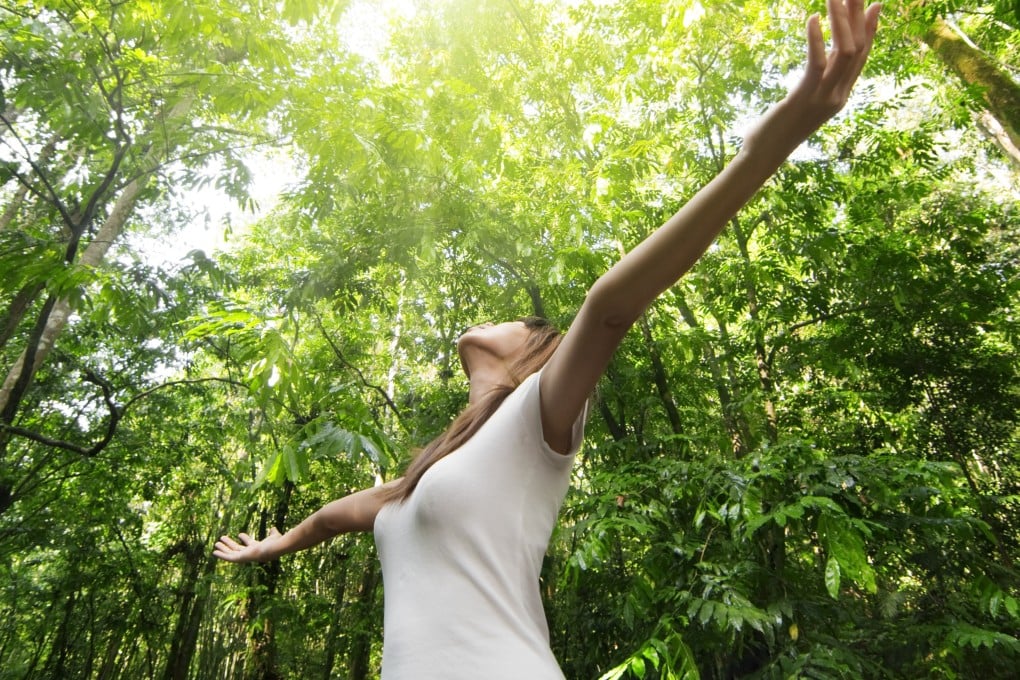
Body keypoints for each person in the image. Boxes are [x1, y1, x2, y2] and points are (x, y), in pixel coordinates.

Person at [214, 2, 881, 677]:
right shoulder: (421, 480)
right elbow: (331, 518)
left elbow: (609, 308)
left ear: (532, 354)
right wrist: (270, 549)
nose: (495, 319)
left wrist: (764, 148)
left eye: (519, 322)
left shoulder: (538, 414)